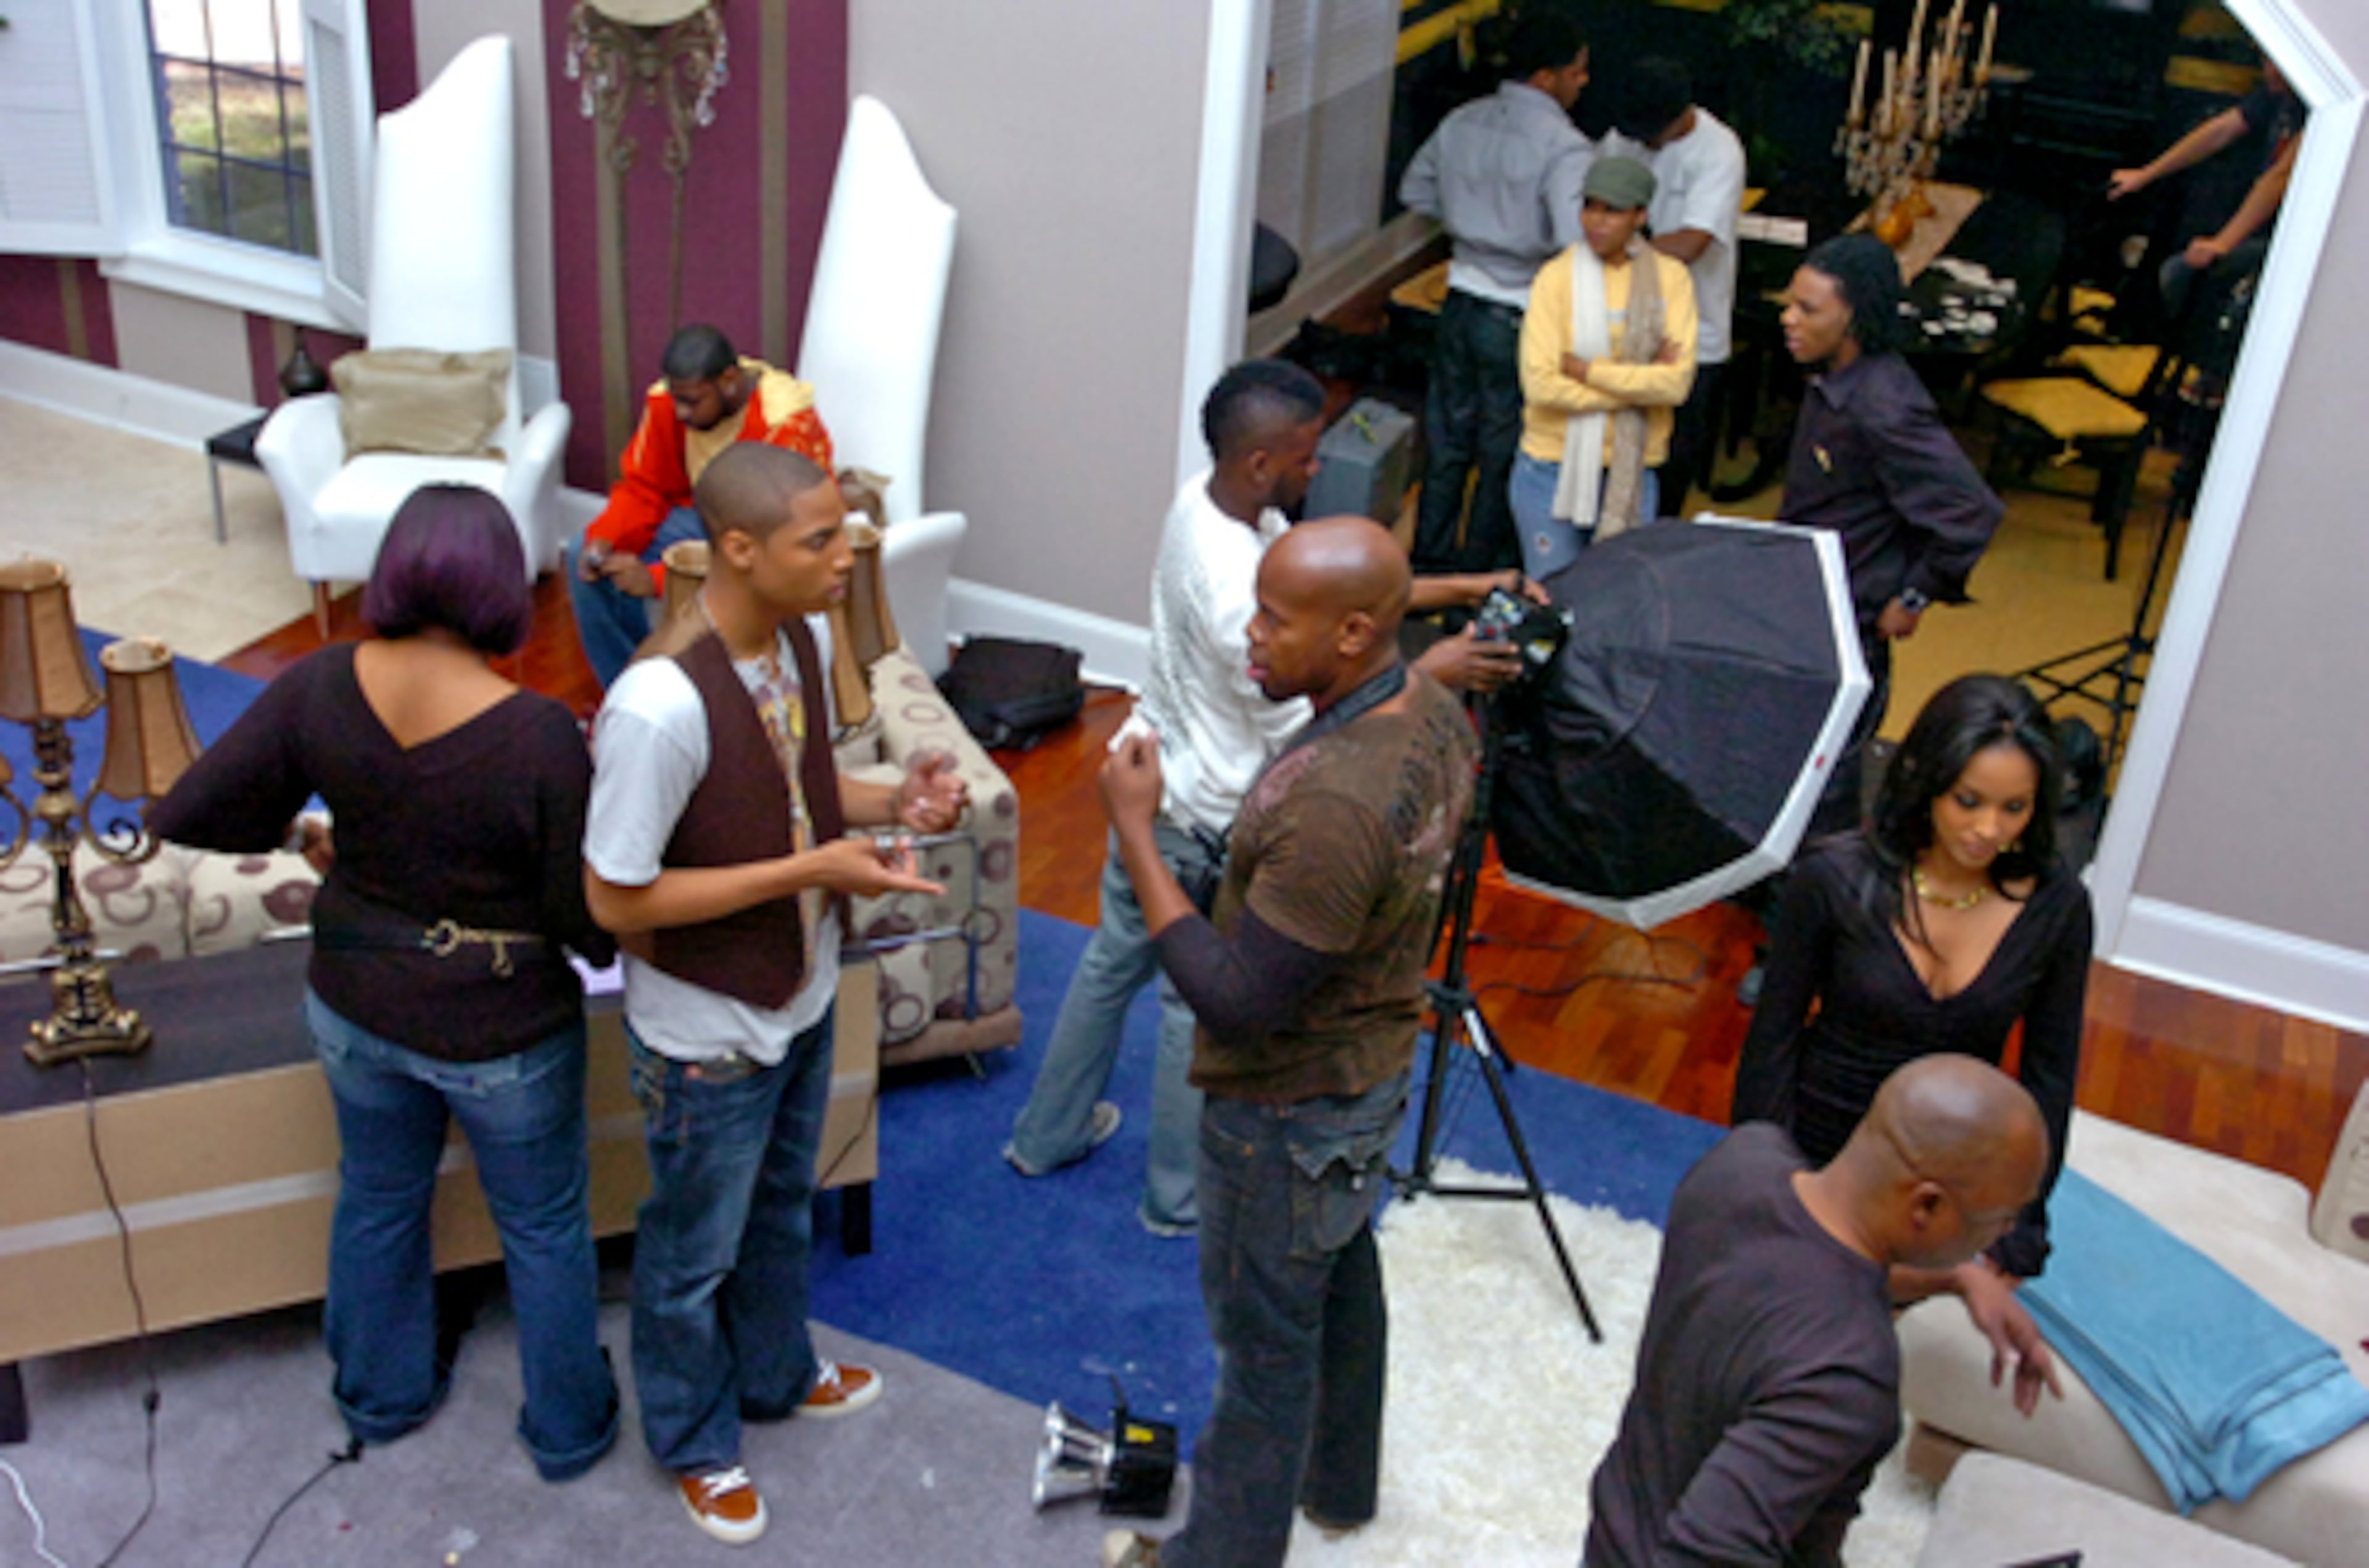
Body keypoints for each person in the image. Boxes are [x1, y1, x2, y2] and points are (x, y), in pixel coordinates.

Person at [150, 485, 620, 1482]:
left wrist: (298, 834)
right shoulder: (539, 733)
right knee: (541, 1228)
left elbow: (189, 810)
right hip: (502, 1031)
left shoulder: (319, 682)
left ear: (397, 567)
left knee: (377, 1195)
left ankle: (379, 1396)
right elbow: (578, 922)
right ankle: (569, 1430)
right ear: (503, 584)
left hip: (354, 1005)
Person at [1003, 361, 1520, 1236]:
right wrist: (1427, 671)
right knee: (1184, 1006)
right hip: (1205, 816)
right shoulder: (1241, 599)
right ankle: (1177, 1199)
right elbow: (1313, 721)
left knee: (1108, 966)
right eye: (1305, 457)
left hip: (1152, 764)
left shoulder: (1206, 504)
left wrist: (1463, 586)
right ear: (1257, 461)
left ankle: (1043, 1136)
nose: (1317, 470)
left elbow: (1341, 593)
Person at [583, 443, 966, 1545]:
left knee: (778, 1214)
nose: (847, 554)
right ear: (739, 551)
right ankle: (696, 1438)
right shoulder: (657, 704)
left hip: (792, 997)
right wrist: (813, 872)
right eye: (819, 540)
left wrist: (896, 800)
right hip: (706, 1030)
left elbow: (798, 791)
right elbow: (617, 899)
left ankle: (775, 1371)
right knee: (690, 1249)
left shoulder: (794, 637)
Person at [1098, 517, 1479, 1568]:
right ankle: (1340, 1486)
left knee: (1262, 1359)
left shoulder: (1336, 806)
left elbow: (1234, 1002)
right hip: (1364, 1075)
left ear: (1355, 632)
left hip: (1286, 1113)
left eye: (1275, 617)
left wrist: (1137, 828)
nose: (1248, 635)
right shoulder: (1432, 706)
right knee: (1342, 1276)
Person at [1733, 674, 2090, 1392]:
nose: (1989, 829)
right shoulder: (1833, 877)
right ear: (1926, 781)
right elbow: (1771, 1039)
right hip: (1822, 1151)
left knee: (1853, 1364)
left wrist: (2024, 1216)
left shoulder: (2058, 908)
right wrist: (1763, 1172)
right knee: (1773, 1347)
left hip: (1947, 1179)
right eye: (1970, 801)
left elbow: (2050, 1076)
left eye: (2014, 807)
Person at [1586, 1054, 2053, 1567]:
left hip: (1615, 1532)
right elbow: (1704, 1551)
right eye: (2002, 1217)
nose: (2007, 1232)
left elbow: (1805, 1269)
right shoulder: (1846, 1377)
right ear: (1926, 1207)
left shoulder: (1743, 1161)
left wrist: (1960, 1277)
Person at [1777, 233, 2003, 832]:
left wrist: (1915, 593)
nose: (1788, 318)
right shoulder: (1833, 377)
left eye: (1808, 309)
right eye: (1791, 303)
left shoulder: (1886, 406)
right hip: (1809, 605)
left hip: (1853, 618)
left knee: (1826, 788)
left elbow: (1970, 510)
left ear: (1852, 318)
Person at [1400, 10, 1596, 576]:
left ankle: (1429, 567)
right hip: (1520, 311)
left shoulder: (1461, 121)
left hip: (1457, 299)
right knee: (1503, 452)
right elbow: (1569, 240)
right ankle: (1476, 574)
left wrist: (1469, 221)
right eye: (1577, 71)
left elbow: (1415, 189)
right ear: (1547, 75)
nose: (1583, 82)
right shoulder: (1566, 148)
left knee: (1446, 440)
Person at [567, 324, 835, 687]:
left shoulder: (783, 425)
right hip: (699, 516)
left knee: (746, 559)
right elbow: (646, 488)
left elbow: (769, 544)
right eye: (678, 400)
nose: (680, 413)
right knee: (579, 554)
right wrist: (606, 539)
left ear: (728, 381)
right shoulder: (668, 401)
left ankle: (707, 698)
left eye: (692, 402)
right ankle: (628, 687)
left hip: (770, 539)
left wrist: (657, 578)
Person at [1511, 155, 1698, 578]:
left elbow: (1676, 386)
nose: (1596, 221)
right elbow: (1541, 386)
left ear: (1640, 215)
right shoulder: (1555, 279)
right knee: (1555, 598)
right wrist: (1638, 386)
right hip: (1551, 467)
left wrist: (1588, 371)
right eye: (1590, 206)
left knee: (1618, 600)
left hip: (1632, 470)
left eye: (1612, 210)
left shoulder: (1671, 280)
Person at [1600, 57, 1747, 515]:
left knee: (1667, 465)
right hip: (1618, 331)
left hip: (1688, 338)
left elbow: (1692, 241)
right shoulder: (1621, 139)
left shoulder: (1718, 151)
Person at [2110, 56, 2304, 321]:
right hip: (2259, 231)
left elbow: (2279, 178)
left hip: (2292, 240)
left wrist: (2223, 243)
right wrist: (2147, 174)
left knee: (2182, 275)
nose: (2272, 71)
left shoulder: (2317, 111)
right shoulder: (2274, 100)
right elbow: (2221, 130)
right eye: (2267, 61)